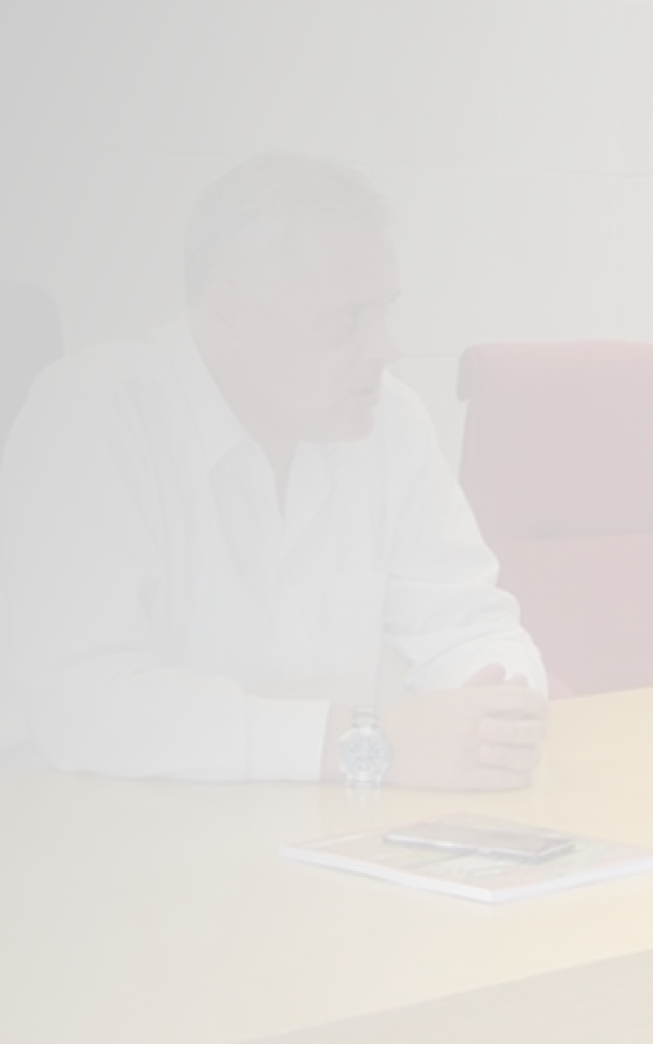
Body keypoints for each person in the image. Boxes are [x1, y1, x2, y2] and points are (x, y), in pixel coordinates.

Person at [0, 150, 547, 787]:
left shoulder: (390, 421)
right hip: (93, 818)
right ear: (228, 314)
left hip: (317, 817)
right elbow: (85, 703)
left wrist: (495, 710)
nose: (385, 348)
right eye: (346, 319)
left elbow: (468, 622)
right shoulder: (94, 417)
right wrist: (370, 743)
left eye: (384, 311)